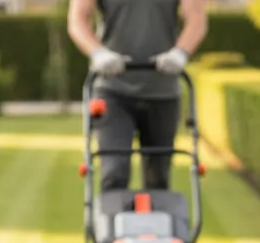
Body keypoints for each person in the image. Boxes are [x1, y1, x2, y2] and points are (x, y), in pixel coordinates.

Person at [68, 0, 207, 193]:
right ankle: (111, 222)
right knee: (114, 172)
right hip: (112, 90)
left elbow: (196, 20)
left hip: (163, 91)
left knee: (158, 179)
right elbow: (78, 20)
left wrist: (180, 54)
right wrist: (98, 53)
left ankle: (156, 221)